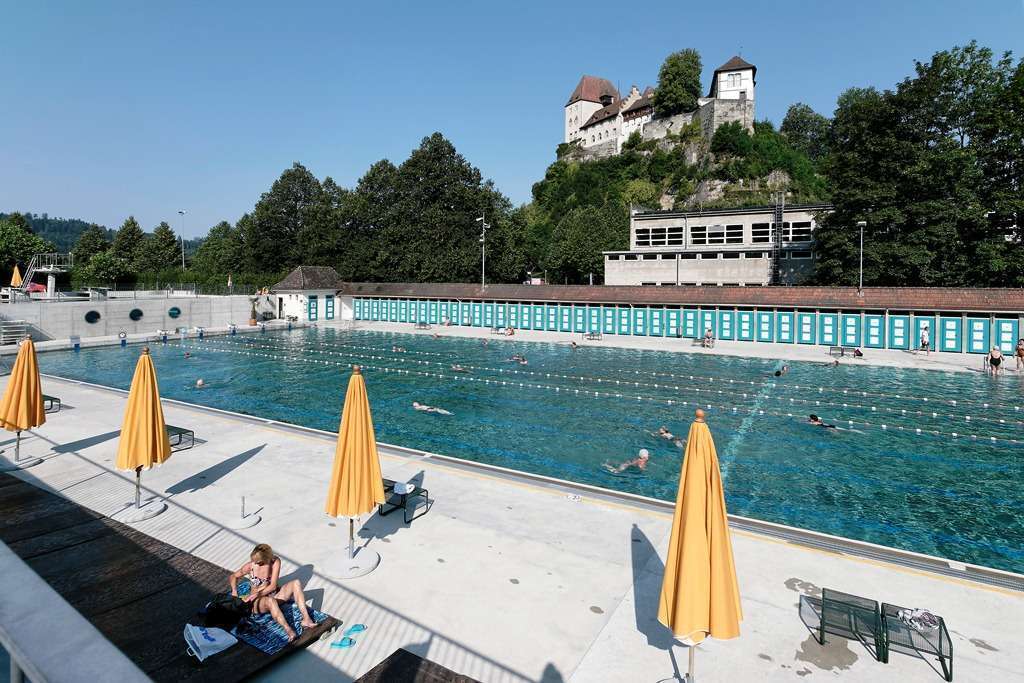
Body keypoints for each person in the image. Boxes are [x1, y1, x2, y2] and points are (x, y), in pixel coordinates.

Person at [229, 543, 316, 641]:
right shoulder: (250, 566)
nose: (256, 564)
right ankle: (289, 630)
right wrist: (234, 591)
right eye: (254, 561)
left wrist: (260, 592)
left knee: (296, 583)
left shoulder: (275, 561)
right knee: (270, 601)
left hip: (275, 594)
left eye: (260, 562)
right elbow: (233, 576)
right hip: (257, 601)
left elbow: (273, 585)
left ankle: (306, 619)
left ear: (267, 558)